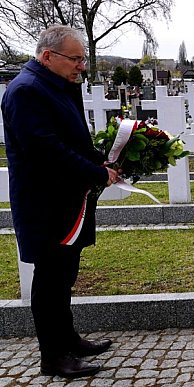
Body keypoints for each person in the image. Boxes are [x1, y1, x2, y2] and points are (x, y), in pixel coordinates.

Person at [1, 25, 119, 378]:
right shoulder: (26, 91)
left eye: (82, 58)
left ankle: (68, 339)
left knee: (64, 274)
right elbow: (47, 150)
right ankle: (52, 356)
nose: (81, 66)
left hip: (66, 199)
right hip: (45, 204)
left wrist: (101, 159)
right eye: (76, 58)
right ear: (47, 55)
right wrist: (96, 174)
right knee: (50, 278)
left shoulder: (56, 85)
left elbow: (73, 137)